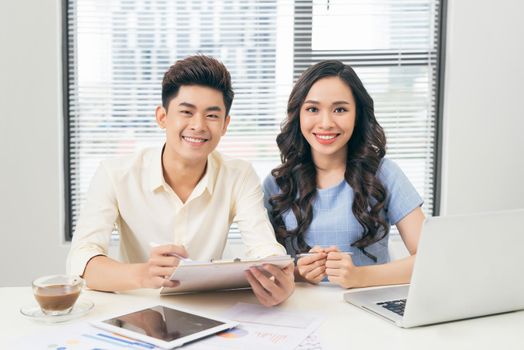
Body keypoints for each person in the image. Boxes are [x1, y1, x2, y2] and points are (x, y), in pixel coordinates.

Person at [67, 55, 294, 306]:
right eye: (186, 112)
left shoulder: (239, 174)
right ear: (162, 117)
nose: (198, 126)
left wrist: (278, 277)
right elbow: (81, 259)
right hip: (138, 307)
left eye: (212, 115)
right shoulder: (115, 174)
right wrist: (142, 274)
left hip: (211, 309)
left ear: (225, 124)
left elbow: (263, 245)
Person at [263, 60, 425, 289]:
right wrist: (299, 273)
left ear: (357, 114)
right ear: (298, 114)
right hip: (298, 313)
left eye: (340, 109)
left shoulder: (384, 173)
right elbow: (259, 269)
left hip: (366, 312)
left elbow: (430, 259)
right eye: (312, 109)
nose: (326, 123)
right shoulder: (275, 183)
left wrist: (359, 277)